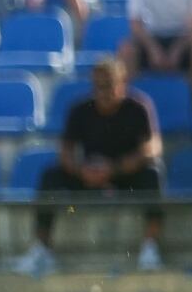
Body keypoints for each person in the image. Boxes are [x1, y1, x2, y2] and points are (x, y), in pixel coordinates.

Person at [16, 59, 164, 276]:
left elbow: (153, 147)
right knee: (51, 176)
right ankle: (41, 249)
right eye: (98, 85)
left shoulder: (138, 107)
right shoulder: (80, 109)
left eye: (108, 85)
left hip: (125, 175)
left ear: (122, 82)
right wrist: (81, 171)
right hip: (88, 176)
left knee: (152, 174)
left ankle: (150, 248)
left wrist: (117, 167)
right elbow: (65, 151)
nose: (102, 91)